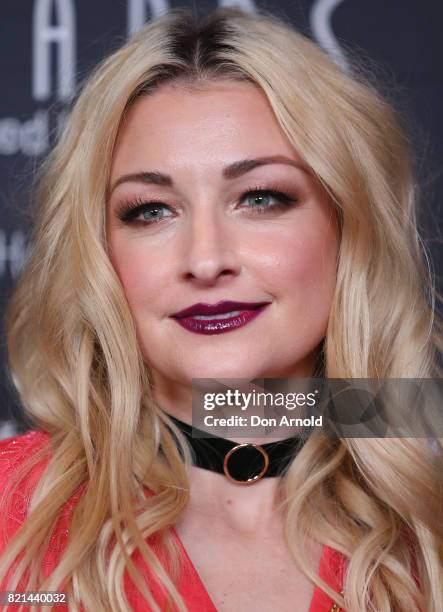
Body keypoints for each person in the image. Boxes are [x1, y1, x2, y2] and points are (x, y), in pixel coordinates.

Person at [0, 7, 442, 611]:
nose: (205, 260)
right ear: (99, 252)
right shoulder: (12, 509)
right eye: (151, 210)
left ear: (347, 224)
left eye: (261, 198)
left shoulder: (425, 509)